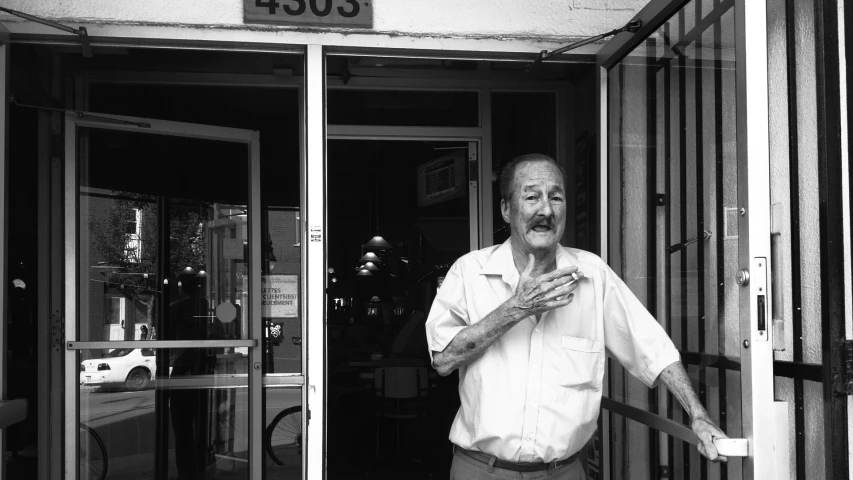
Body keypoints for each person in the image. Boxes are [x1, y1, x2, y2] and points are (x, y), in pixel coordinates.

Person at [425, 154, 727, 479]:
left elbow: (652, 348)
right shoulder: (470, 273)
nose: (546, 210)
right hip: (482, 470)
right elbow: (443, 359)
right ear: (506, 209)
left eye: (556, 197)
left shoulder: (592, 275)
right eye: (531, 197)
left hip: (563, 472)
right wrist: (515, 308)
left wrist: (698, 414)